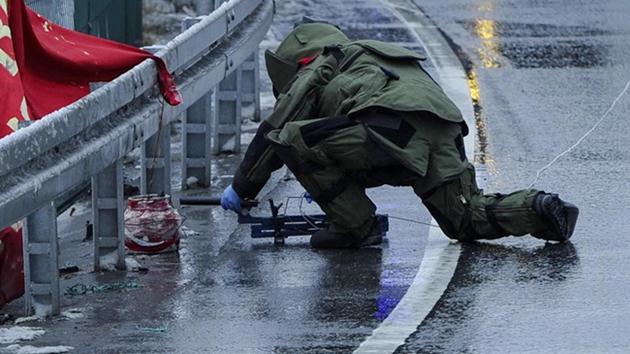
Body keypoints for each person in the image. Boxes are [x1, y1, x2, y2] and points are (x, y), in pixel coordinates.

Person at [220, 20, 579, 249]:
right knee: (463, 220)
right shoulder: (373, 55)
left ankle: (356, 227)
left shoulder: (320, 65)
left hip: (389, 132)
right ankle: (537, 208)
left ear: (301, 61)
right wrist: (335, 184)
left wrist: (241, 188)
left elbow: (276, 128)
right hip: (440, 128)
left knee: (293, 139)